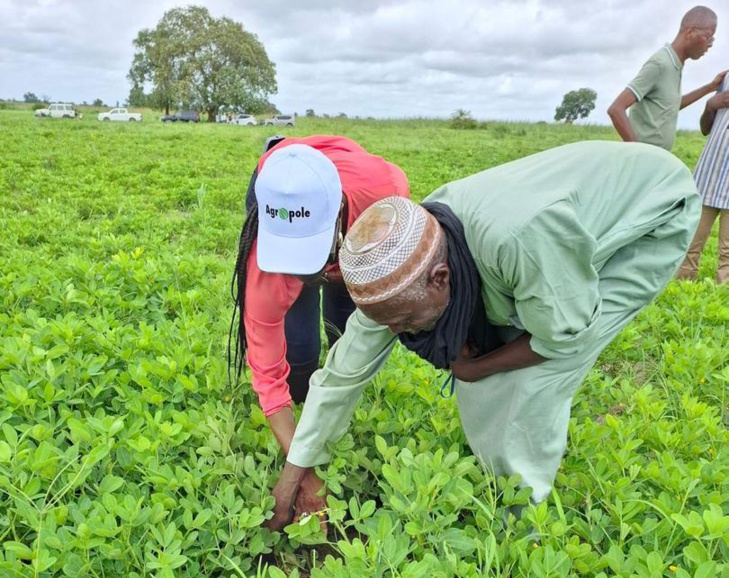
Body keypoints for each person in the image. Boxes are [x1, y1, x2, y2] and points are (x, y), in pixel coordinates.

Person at [267, 141, 701, 529]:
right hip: (563, 223)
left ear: (440, 278)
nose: (398, 334)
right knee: (488, 355)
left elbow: (565, 338)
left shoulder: (518, 242)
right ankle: (500, 483)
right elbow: (344, 373)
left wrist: (477, 368)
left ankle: (522, 528)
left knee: (531, 380)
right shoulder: (395, 270)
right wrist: (296, 468)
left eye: (403, 322)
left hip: (653, 214)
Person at [229, 136, 409, 473]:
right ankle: (304, 408)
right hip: (276, 170)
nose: (298, 273)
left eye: (309, 253)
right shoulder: (264, 255)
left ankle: (334, 412)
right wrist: (303, 466)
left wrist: (343, 273)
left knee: (344, 325)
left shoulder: (386, 203)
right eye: (289, 257)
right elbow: (267, 371)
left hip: (356, 199)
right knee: (299, 345)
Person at [607, 6, 723, 151]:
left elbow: (671, 105)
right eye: (708, 36)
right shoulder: (660, 64)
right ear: (691, 33)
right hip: (643, 162)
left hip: (657, 161)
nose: (711, 43)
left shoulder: (675, 65)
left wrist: (710, 87)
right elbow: (616, 109)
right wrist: (639, 153)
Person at [675, 70, 729, 282]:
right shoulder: (725, 79)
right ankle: (682, 286)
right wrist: (710, 105)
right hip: (709, 175)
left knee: (727, 251)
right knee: (691, 242)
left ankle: (722, 294)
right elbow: (705, 128)